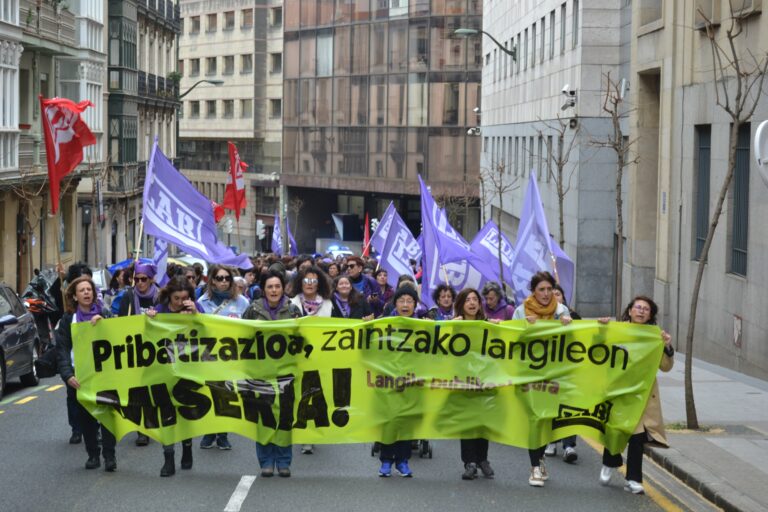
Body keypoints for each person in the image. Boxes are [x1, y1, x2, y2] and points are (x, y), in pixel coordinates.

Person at [598, 296, 674, 495]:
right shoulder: (617, 330)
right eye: (638, 307)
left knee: (637, 437)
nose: (641, 311)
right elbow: (598, 353)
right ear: (630, 310)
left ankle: (633, 479)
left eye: (646, 309)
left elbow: (665, 367)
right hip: (617, 392)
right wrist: (601, 330)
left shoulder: (654, 336)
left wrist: (666, 346)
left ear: (650, 315)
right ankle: (610, 462)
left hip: (641, 396)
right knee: (615, 430)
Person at [512, 271, 572, 487]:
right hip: (528, 374)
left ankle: (540, 458)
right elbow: (510, 341)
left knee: (547, 419)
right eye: (541, 290)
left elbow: (573, 344)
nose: (546, 294)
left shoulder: (562, 311)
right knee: (534, 419)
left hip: (553, 374)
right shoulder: (521, 311)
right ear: (533, 291)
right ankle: (534, 467)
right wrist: (524, 328)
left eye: (549, 289)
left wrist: (569, 327)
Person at [242, 270, 302, 477]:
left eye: (277, 286)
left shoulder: (293, 310)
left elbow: (302, 340)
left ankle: (284, 461)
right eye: (270, 287)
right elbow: (240, 336)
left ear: (283, 288)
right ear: (263, 289)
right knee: (264, 418)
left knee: (285, 418)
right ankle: (266, 461)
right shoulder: (253, 310)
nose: (274, 290)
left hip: (286, 372)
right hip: (261, 373)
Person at [146, 276, 205, 476]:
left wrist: (197, 314)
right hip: (164, 371)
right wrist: (150, 319)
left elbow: (209, 331)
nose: (180, 302)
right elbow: (148, 336)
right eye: (176, 298)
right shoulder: (161, 310)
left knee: (185, 412)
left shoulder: (195, 309)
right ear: (169, 296)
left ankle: (187, 446)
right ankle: (168, 457)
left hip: (188, 371)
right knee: (166, 414)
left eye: (184, 298)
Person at [56, 276, 116, 471]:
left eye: (89, 289)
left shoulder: (104, 312)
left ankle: (110, 456)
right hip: (80, 376)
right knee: (87, 418)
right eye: (82, 290)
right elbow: (62, 349)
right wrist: (67, 375)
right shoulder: (68, 320)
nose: (86, 293)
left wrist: (105, 323)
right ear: (75, 296)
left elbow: (118, 336)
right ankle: (93, 454)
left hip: (105, 374)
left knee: (107, 415)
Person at [197, 265, 251, 450]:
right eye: (219, 278)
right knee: (210, 394)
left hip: (232, 358)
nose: (224, 281)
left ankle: (223, 435)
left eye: (227, 278)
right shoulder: (202, 302)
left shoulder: (242, 302)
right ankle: (209, 432)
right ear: (212, 280)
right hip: (208, 357)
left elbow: (250, 327)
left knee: (227, 394)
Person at [452, 288, 499, 480]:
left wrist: (498, 327)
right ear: (461, 304)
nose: (472, 303)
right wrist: (451, 325)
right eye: (467, 300)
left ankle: (482, 459)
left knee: (483, 420)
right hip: (464, 381)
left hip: (485, 379)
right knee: (468, 421)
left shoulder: (488, 325)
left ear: (480, 304)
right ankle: (469, 462)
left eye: (475, 300)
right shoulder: (455, 325)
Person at [289, 265, 333, 455]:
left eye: (314, 280)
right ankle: (302, 433)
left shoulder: (329, 305)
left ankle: (312, 434)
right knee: (299, 395)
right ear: (300, 282)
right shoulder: (291, 304)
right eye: (306, 280)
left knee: (317, 396)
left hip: (320, 357)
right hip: (297, 357)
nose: (310, 284)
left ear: (319, 283)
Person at [377, 286, 419, 478]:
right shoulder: (385, 324)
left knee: (406, 422)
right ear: (395, 304)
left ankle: (402, 461)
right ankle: (386, 460)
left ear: (415, 305)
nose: (405, 304)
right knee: (389, 421)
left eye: (409, 301)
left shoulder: (422, 326)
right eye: (401, 300)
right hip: (388, 380)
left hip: (412, 381)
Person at [118, 262, 160, 446]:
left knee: (152, 391)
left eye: (144, 279)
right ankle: (141, 430)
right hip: (134, 350)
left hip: (156, 351)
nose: (140, 283)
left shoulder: (160, 297)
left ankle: (151, 422)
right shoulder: (128, 296)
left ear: (151, 280)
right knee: (136, 391)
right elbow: (119, 322)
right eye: (137, 279)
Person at [544, 283, 580, 463]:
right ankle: (551, 441)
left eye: (557, 293)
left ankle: (569, 445)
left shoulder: (574, 317)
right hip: (547, 369)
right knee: (550, 405)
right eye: (550, 294)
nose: (554, 296)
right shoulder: (540, 317)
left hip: (568, 369)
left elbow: (585, 338)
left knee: (568, 406)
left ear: (563, 298)